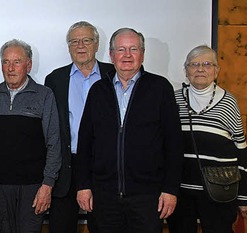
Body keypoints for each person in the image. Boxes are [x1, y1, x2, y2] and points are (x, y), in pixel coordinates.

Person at [74, 28, 183, 233]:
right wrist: (83, 185)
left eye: (133, 49)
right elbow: (85, 142)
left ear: (142, 54)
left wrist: (170, 190)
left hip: (147, 198)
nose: (127, 55)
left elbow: (174, 144)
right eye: (121, 49)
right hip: (103, 197)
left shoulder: (160, 88)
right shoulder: (98, 91)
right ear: (111, 54)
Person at [167, 45, 247, 232]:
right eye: (194, 64)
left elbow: (241, 147)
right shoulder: (173, 100)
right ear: (185, 70)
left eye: (207, 64)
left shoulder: (229, 102)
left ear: (216, 71)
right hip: (180, 191)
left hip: (219, 191)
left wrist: (245, 194)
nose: (200, 69)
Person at [0, 39, 61, 233]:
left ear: (29, 65)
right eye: (6, 62)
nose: (10, 68)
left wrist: (47, 185)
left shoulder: (44, 95)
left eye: (17, 62)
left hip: (33, 187)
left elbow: (54, 142)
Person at [44, 21, 115, 233]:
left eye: (86, 40)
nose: (80, 46)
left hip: (104, 168)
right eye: (74, 41)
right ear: (68, 47)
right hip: (67, 168)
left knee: (105, 226)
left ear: (97, 44)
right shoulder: (55, 79)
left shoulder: (113, 75)